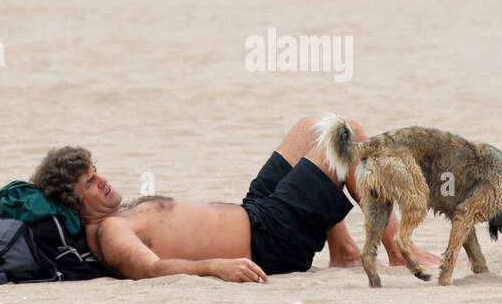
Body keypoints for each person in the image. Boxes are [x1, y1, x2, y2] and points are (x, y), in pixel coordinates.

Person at [29, 116, 442, 283]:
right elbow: (149, 270)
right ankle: (395, 248)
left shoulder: (117, 215)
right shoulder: (110, 231)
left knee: (315, 127)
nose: (102, 180)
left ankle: (347, 251)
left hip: (255, 212)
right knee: (344, 134)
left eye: (95, 170)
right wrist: (214, 267)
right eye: (89, 182)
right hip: (269, 241)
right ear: (74, 202)